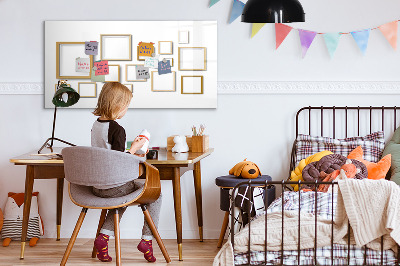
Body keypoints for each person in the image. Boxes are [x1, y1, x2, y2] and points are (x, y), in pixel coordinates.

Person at [91, 82, 161, 263]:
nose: (126, 110)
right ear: (117, 105)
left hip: (97, 186)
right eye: (126, 106)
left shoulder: (96, 125)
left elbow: (108, 154)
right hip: (114, 186)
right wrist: (136, 148)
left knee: (121, 197)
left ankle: (103, 238)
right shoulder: (117, 129)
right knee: (156, 194)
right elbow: (119, 160)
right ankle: (147, 240)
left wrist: (131, 149)